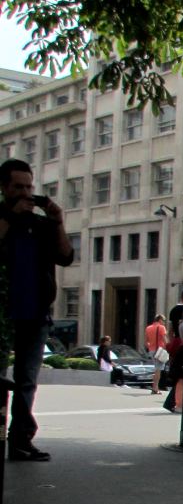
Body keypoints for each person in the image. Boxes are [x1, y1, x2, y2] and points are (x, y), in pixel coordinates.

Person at [0, 158, 74, 461]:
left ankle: (21, 440)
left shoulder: (40, 223)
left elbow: (66, 256)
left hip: (35, 311)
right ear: (4, 188)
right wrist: (9, 217)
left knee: (27, 381)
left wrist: (57, 221)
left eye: (29, 187)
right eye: (18, 187)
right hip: (3, 313)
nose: (25, 193)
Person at [144, 313, 168, 394]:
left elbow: (146, 342)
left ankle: (154, 387)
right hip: (160, 350)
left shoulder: (148, 328)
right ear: (160, 320)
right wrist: (168, 348)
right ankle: (155, 388)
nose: (164, 322)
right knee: (158, 370)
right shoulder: (161, 327)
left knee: (156, 369)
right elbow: (165, 340)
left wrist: (151, 347)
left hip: (151, 350)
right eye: (163, 320)